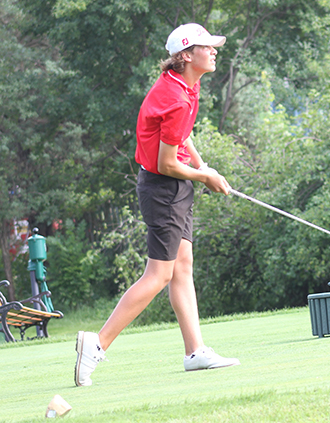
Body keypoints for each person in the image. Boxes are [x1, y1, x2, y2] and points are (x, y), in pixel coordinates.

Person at [74, 23, 239, 387]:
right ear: (185, 55)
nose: (214, 51)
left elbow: (181, 136)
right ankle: (96, 344)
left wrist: (201, 165)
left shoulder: (183, 86)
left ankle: (195, 351)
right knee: (159, 274)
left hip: (173, 184)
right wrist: (205, 178)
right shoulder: (177, 97)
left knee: (182, 266)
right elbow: (165, 163)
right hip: (164, 189)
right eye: (206, 46)